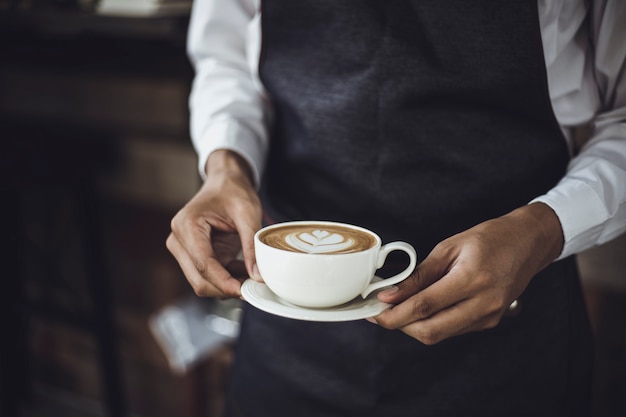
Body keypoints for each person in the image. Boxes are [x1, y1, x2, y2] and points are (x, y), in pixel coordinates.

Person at [167, 1, 626, 416]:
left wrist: (544, 230)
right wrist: (226, 166)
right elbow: (227, 60)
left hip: (510, 333)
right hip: (287, 330)